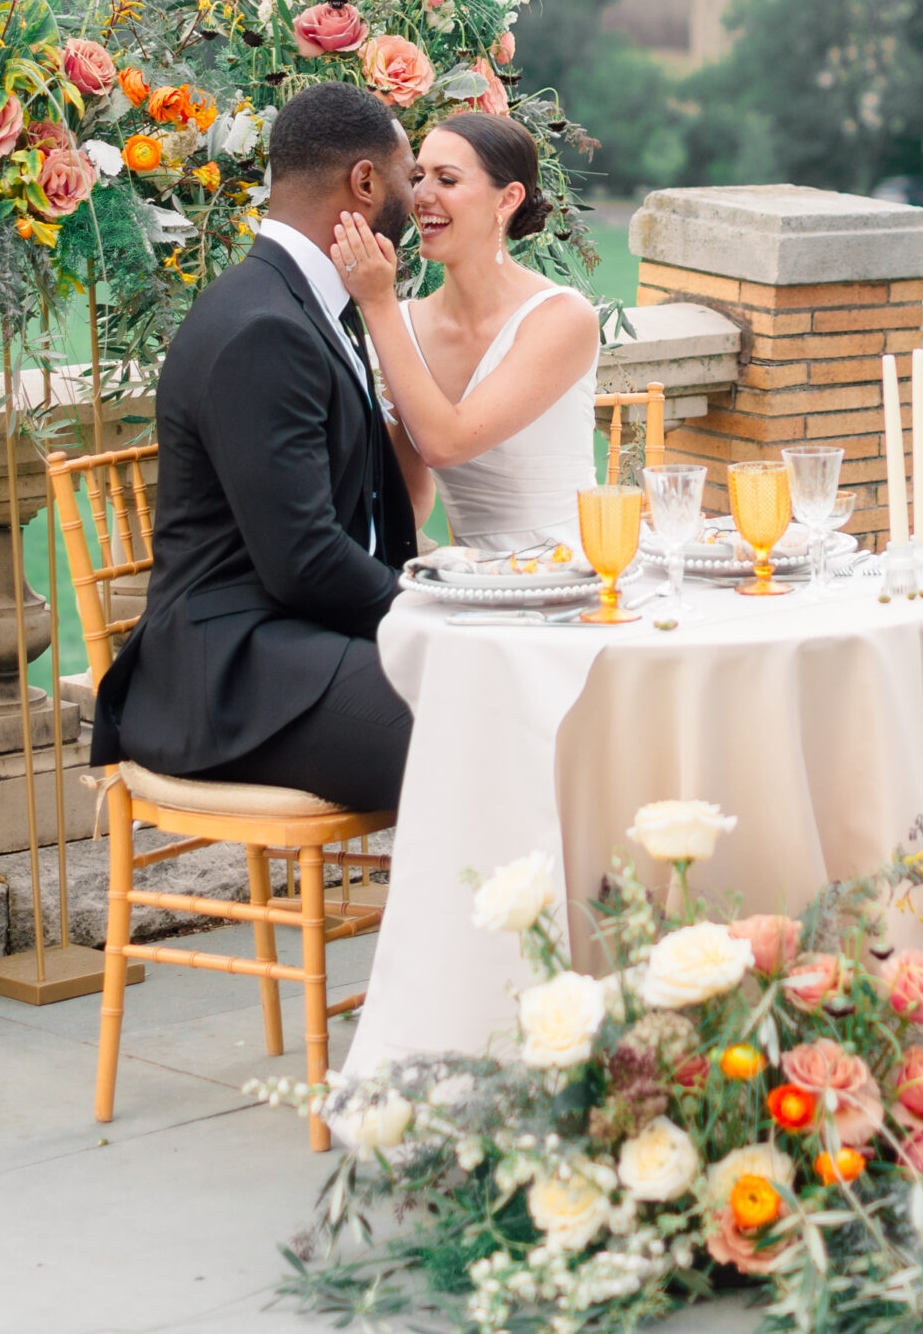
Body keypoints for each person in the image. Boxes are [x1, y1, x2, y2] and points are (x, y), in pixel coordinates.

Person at [89, 82, 420, 811]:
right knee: (477, 728)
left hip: (301, 641)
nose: (415, 196)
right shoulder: (263, 326)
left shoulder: (302, 301)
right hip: (232, 677)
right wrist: (429, 614)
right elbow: (302, 561)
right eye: (410, 173)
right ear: (364, 183)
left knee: (512, 701)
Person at [330, 109, 598, 551]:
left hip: (573, 567)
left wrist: (376, 303)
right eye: (417, 177)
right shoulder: (407, 325)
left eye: (447, 180)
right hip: (471, 579)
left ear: (507, 199)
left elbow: (446, 444)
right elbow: (411, 501)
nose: (421, 196)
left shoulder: (562, 318)